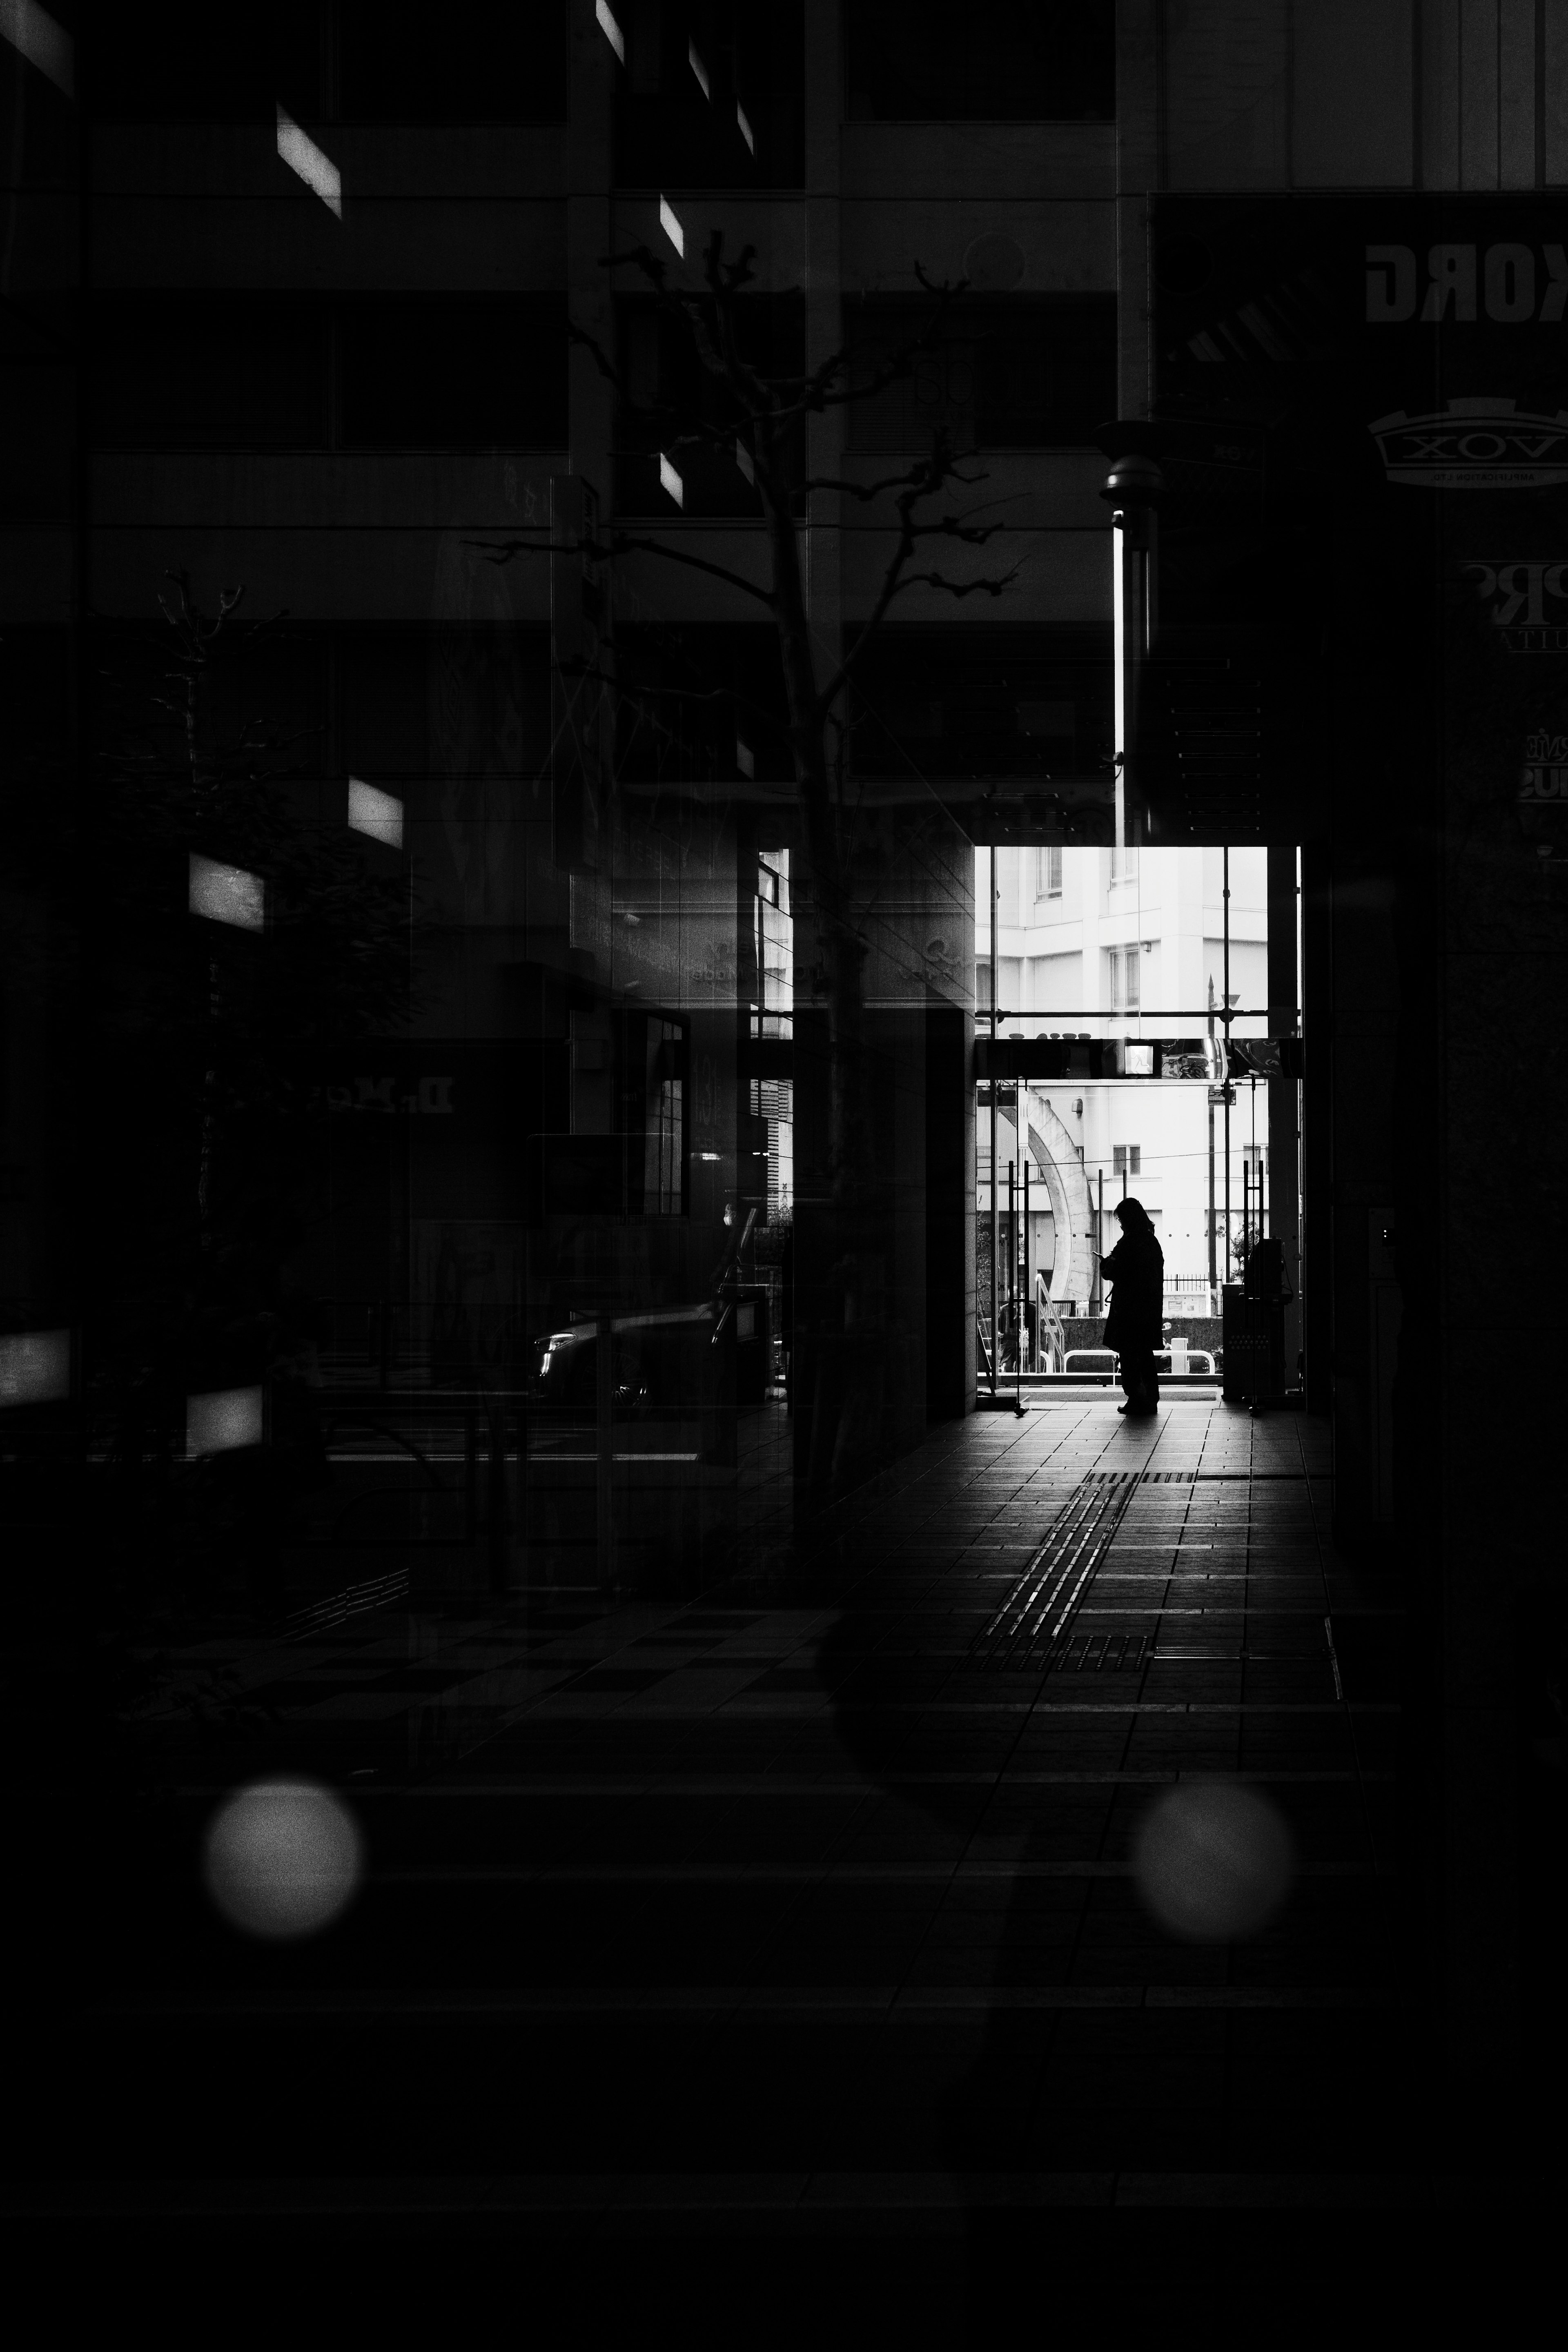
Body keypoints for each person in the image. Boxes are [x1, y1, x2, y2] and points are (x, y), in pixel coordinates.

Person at [1100, 1196, 1164, 1416]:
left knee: (1129, 1355)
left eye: (1121, 1220)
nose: (1121, 1225)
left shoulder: (1128, 1243)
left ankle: (1136, 1398)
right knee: (1144, 1355)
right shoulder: (1151, 1242)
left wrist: (1105, 1263)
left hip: (1128, 1311)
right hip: (1148, 1310)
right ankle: (1150, 1399)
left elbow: (1112, 1272)